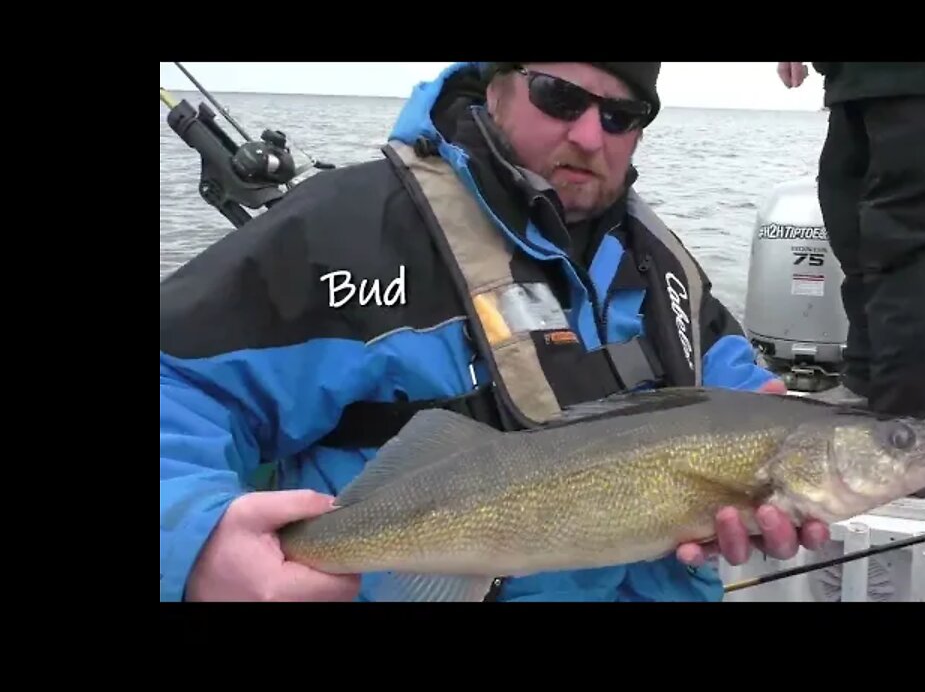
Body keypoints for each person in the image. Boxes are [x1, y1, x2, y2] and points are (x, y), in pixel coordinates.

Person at [160, 61, 830, 602]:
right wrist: (195, 537)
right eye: (559, 96)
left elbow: (724, 370)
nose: (590, 137)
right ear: (496, 81)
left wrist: (770, 435)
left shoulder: (661, 263)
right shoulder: (343, 230)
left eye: (621, 116)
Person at [777, 62, 925, 497]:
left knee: (906, 234)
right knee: (848, 220)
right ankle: (866, 391)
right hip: (858, 76)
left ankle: (913, 442)